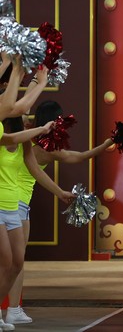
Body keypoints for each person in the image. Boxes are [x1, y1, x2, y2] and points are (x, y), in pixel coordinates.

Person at [6, 100, 115, 325]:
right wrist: (105, 145)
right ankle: (13, 309)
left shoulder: (19, 133)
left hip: (6, 200)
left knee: (8, 262)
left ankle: (10, 310)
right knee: (16, 262)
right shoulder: (47, 148)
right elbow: (80, 156)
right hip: (18, 204)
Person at [0, 116, 75, 331]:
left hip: (14, 207)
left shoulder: (24, 143)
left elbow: (36, 170)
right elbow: (13, 134)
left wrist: (59, 192)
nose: (27, 117)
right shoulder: (3, 137)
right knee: (4, 262)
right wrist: (41, 128)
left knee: (17, 263)